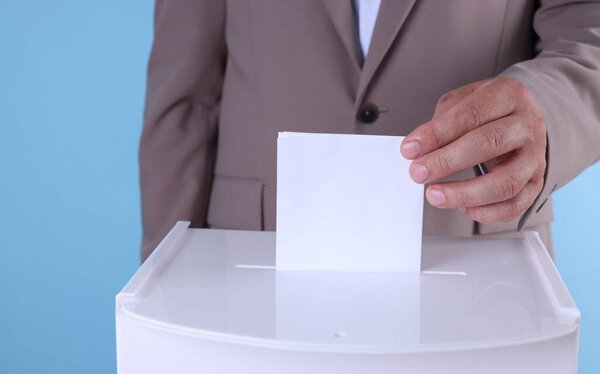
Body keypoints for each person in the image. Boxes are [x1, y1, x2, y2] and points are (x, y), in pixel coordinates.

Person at [139, 0, 600, 261]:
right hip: (249, 254)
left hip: (478, 255)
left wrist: (546, 113)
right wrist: (160, 281)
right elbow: (187, 96)